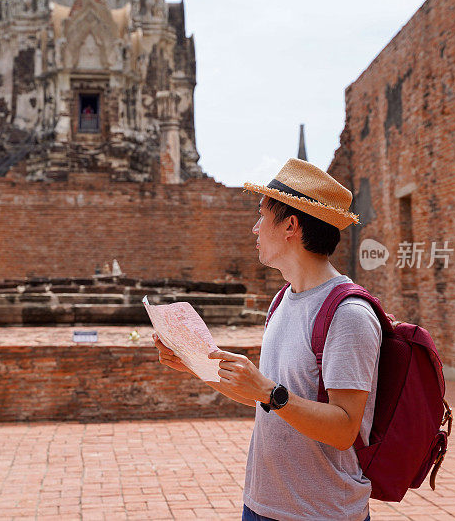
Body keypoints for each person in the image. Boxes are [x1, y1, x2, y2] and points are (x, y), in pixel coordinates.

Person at [153, 158, 382, 521]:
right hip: (262, 504)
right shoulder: (281, 301)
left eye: (263, 215)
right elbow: (268, 400)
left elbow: (343, 428)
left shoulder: (348, 314)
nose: (255, 228)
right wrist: (195, 365)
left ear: (291, 225)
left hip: (321, 513)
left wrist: (268, 391)